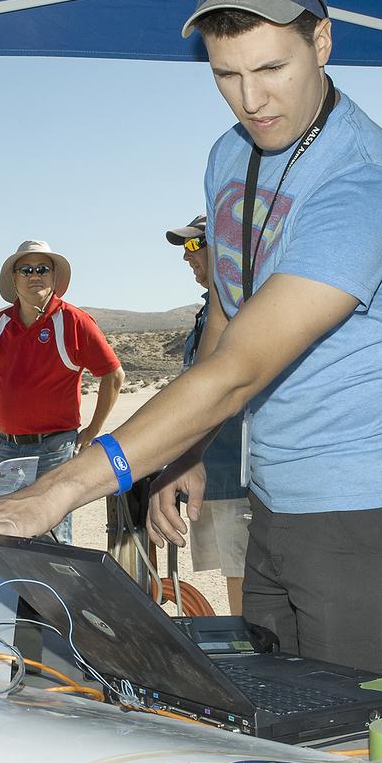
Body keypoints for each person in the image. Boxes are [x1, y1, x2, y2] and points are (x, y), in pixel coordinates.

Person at [0, 0, 382, 681]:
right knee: (275, 714)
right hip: (276, 492)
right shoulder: (232, 155)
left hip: (368, 501)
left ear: (322, 41)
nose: (252, 100)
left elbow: (241, 370)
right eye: (228, 76)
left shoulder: (362, 180)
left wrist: (57, 491)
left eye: (272, 69)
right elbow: (227, 306)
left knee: (355, 738)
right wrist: (187, 450)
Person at [0, 240, 124, 544]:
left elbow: (113, 376)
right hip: (7, 449)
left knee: (51, 539)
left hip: (54, 449)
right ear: (14, 279)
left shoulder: (73, 321)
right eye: (26, 269)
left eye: (43, 269)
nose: (35, 276)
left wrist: (92, 430)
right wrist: (2, 422)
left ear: (54, 277)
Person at [166, 214, 251, 614]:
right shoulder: (208, 312)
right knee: (234, 573)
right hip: (213, 471)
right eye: (186, 249)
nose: (188, 257)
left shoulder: (243, 307)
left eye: (197, 245)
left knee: (245, 576)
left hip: (239, 473)